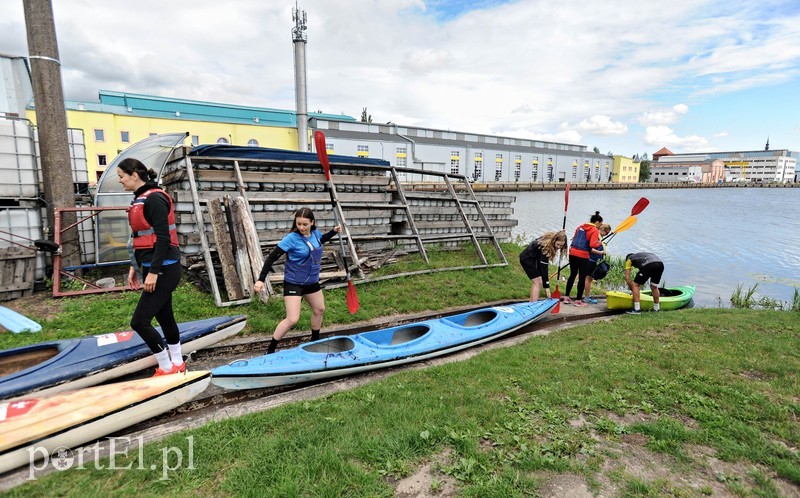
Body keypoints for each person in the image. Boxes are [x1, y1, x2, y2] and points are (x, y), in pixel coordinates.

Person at [118, 158, 185, 376]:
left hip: (165, 268)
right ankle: (177, 362)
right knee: (165, 317)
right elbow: (140, 238)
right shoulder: (140, 198)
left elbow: (163, 238)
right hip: (151, 265)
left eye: (121, 176)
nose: (120, 181)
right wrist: (134, 267)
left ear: (134, 175)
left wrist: (153, 273)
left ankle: (166, 367)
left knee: (139, 321)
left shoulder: (154, 198)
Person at [254, 208, 342, 353]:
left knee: (319, 310)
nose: (301, 227)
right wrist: (261, 279)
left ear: (312, 223)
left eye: (305, 224)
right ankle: (270, 350)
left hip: (312, 282)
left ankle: (315, 342)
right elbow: (271, 257)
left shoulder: (315, 233)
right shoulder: (291, 238)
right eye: (298, 224)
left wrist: (333, 232)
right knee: (292, 319)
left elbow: (319, 241)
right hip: (294, 282)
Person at [563, 211, 604, 307]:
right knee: (582, 277)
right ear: (597, 222)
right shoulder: (594, 230)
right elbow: (592, 244)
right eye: (600, 224)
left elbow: (574, 239)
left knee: (572, 275)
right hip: (583, 255)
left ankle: (566, 297)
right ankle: (578, 301)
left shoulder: (580, 227)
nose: (600, 226)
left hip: (572, 253)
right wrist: (600, 243)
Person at [519, 231, 567, 302]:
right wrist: (547, 287)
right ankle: (533, 305)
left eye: (561, 246)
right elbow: (544, 268)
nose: (559, 247)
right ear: (554, 240)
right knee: (538, 282)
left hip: (535, 258)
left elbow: (542, 266)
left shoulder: (551, 240)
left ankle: (531, 303)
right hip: (527, 259)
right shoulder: (545, 247)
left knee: (538, 282)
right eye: (558, 244)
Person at [582, 223, 612, 304]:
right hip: (590, 260)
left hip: (592, 260)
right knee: (588, 279)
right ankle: (587, 297)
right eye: (607, 233)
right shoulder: (596, 236)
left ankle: (586, 295)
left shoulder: (598, 237)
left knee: (588, 278)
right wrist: (601, 252)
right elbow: (590, 248)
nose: (607, 235)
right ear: (604, 230)